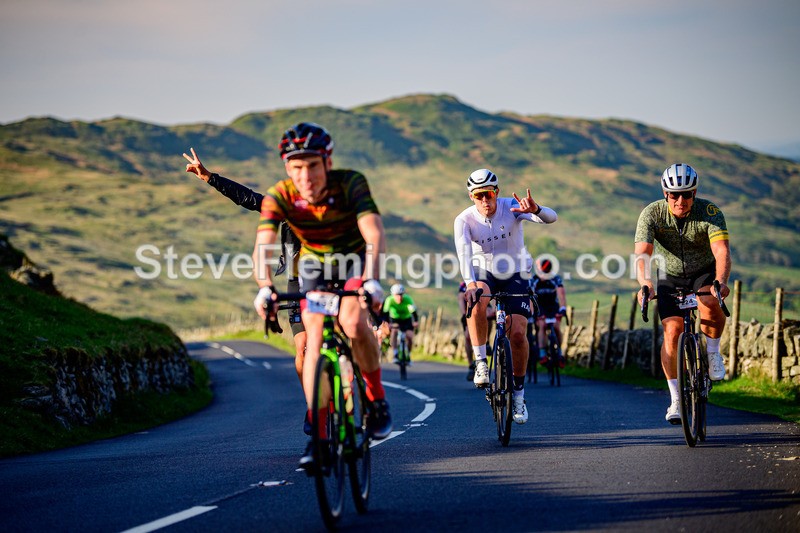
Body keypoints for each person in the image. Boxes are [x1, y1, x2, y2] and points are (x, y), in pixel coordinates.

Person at [187, 123, 392, 468]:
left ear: (327, 162)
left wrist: (372, 280)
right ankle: (319, 429)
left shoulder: (351, 183)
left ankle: (376, 399)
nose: (305, 175)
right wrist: (264, 287)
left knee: (355, 324)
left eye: (312, 165)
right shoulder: (281, 195)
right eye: (297, 166)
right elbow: (262, 244)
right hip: (309, 269)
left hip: (351, 262)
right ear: (287, 168)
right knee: (310, 343)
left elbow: (373, 231)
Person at [182, 149, 311, 433]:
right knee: (302, 350)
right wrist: (209, 178)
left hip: (331, 280)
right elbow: (249, 198)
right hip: (298, 282)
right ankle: (314, 406)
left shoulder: (334, 209)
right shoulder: (286, 208)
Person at [454, 169, 558, 424]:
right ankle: (480, 361)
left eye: (489, 194)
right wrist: (469, 285)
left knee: (519, 333)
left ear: (496, 192)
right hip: (483, 270)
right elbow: (464, 255)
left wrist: (535, 210)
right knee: (477, 298)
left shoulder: (511, 207)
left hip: (516, 271)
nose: (485, 201)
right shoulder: (464, 220)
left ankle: (519, 396)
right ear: (471, 196)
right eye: (479, 196)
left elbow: (551, 219)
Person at [635, 163, 731, 425]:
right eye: (674, 195)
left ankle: (712, 353)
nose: (681, 200)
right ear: (665, 194)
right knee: (672, 332)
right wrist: (645, 283)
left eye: (687, 194)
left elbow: (721, 251)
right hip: (670, 275)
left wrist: (720, 281)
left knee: (709, 300)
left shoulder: (709, 212)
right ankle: (676, 399)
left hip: (703, 271)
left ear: (694, 193)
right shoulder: (652, 213)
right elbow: (643, 254)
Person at [530, 258, 567, 367]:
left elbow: (561, 294)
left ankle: (560, 353)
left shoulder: (555, 279)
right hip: (540, 306)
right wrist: (533, 313)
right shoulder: (534, 280)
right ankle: (542, 354)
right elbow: (530, 298)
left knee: (556, 326)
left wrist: (563, 308)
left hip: (552, 306)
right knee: (542, 325)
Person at [458, 281, 496, 381]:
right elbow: (460, 299)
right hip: (469, 308)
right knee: (467, 337)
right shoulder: (463, 284)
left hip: (481, 302)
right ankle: (471, 365)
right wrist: (464, 314)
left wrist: (493, 310)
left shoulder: (483, 278)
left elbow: (493, 295)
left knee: (488, 317)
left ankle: (486, 342)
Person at [381, 283, 419, 364]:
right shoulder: (389, 300)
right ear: (393, 295)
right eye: (397, 295)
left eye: (401, 295)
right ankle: (395, 354)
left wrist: (415, 321)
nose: (399, 297)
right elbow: (385, 313)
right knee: (394, 332)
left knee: (410, 337)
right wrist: (387, 323)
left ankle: (408, 355)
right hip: (394, 319)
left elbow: (414, 312)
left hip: (406, 319)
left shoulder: (408, 299)